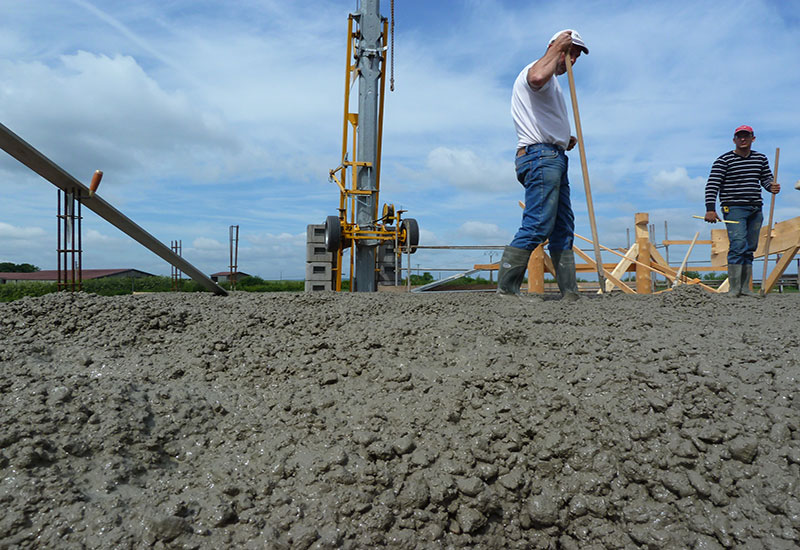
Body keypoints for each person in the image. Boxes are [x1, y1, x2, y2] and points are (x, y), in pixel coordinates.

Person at [496, 29, 588, 301]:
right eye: (570, 52)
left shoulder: (554, 83)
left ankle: (570, 292)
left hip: (552, 155)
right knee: (538, 223)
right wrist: (557, 47)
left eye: (576, 56)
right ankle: (506, 289)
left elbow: (540, 118)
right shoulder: (535, 72)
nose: (572, 61)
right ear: (554, 47)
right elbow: (536, 78)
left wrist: (563, 138)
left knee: (563, 225)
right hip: (540, 157)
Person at [704, 125, 780, 296]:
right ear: (734, 140)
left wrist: (772, 186)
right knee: (738, 244)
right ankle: (734, 288)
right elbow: (712, 185)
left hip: (755, 207)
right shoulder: (724, 161)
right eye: (739, 137)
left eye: (746, 136)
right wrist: (710, 209)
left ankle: (745, 288)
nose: (743, 139)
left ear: (753, 138)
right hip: (734, 207)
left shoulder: (760, 159)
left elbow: (766, 179)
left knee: (750, 246)